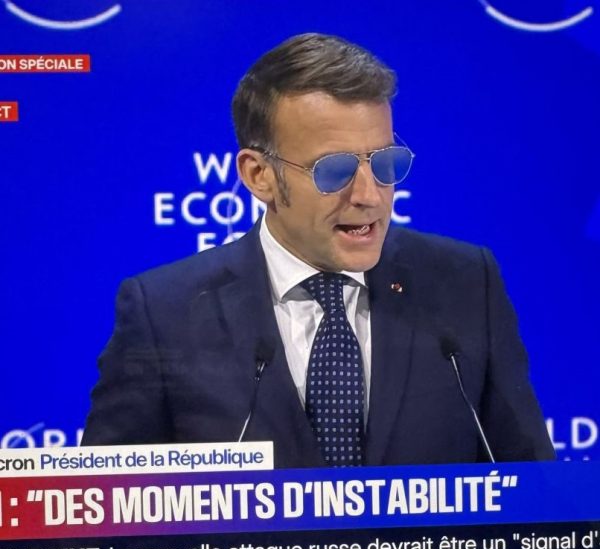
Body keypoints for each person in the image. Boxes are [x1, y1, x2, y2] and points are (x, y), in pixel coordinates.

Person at [81, 33, 555, 467]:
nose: (370, 195)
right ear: (259, 176)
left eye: (386, 163)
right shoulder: (165, 312)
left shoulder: (465, 284)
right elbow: (105, 509)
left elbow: (535, 487)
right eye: (335, 170)